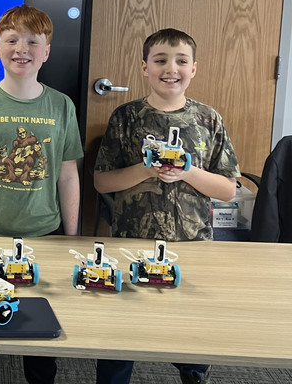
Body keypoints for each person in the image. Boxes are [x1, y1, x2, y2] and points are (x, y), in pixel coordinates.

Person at [94, 28, 240, 384]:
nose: (170, 68)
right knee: (121, 333)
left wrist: (188, 172)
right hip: (132, 242)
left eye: (181, 61)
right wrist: (145, 170)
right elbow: (101, 181)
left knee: (191, 334)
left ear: (194, 69)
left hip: (192, 246)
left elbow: (229, 190)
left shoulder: (209, 120)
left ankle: (192, 371)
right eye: (160, 60)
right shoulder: (125, 118)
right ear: (145, 67)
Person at [0, 3, 83, 384]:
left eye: (32, 41)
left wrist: (71, 237)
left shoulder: (61, 106)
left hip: (43, 234)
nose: (21, 48)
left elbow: (68, 174)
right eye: (12, 39)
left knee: (39, 337)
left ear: (46, 52)